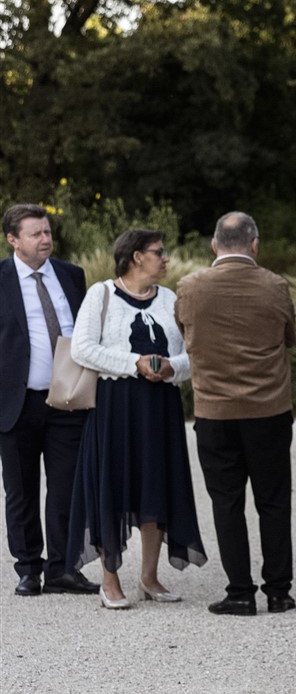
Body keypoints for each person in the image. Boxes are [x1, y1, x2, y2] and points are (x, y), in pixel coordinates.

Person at [68, 227, 206, 606]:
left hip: (160, 406)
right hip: (115, 405)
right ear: (136, 256)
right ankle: (109, 580)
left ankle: (149, 576)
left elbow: (191, 357)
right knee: (112, 485)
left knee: (155, 486)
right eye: (159, 252)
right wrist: (135, 363)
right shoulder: (101, 294)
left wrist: (168, 368)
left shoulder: (169, 299)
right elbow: (83, 350)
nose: (165, 258)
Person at [175, 212, 296, 617]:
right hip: (268, 409)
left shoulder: (190, 287)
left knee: (226, 502)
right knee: (274, 501)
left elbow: (185, 331)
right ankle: (279, 591)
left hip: (215, 411)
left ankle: (240, 592)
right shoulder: (275, 286)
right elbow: (288, 338)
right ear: (255, 244)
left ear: (214, 244)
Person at [1, 204, 96, 597]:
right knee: (20, 489)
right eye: (36, 233)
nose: (45, 239)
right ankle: (29, 568)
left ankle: (62, 567)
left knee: (66, 487)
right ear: (12, 240)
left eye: (47, 231)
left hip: (67, 400)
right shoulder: (1, 279)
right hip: (15, 403)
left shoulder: (72, 276)